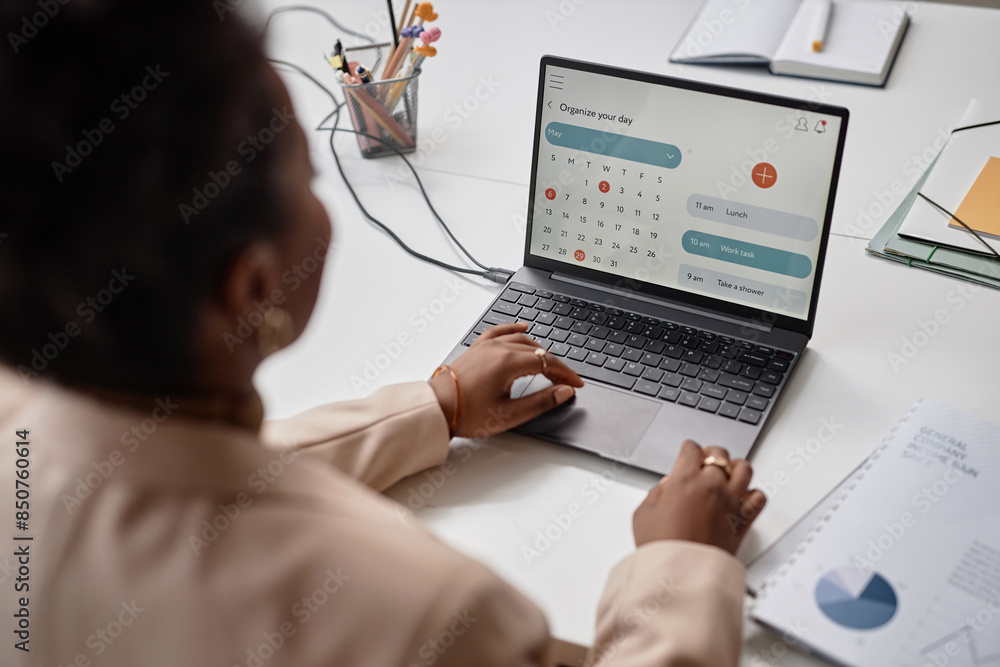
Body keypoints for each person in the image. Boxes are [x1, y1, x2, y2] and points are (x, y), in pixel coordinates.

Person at [0, 1, 766, 665]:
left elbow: (159, 478)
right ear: (253, 285)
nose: (321, 200)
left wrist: (432, 409)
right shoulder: (428, 615)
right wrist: (680, 569)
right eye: (311, 180)